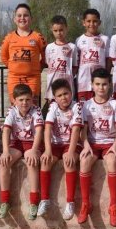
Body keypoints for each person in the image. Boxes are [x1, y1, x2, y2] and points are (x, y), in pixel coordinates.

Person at [78, 68, 116, 227]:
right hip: (92, 144)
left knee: (112, 162)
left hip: (109, 143)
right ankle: (85, 204)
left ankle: (113, 205)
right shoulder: (86, 105)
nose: (101, 88)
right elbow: (82, 130)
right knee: (84, 162)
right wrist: (85, 145)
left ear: (109, 85)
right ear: (92, 85)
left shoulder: (115, 104)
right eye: (97, 84)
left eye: (104, 84)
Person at [0, 84, 44, 220]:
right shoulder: (12, 111)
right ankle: (5, 201)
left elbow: (40, 131)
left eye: (28, 99)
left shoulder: (36, 110)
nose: (25, 103)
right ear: (15, 100)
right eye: (21, 100)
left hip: (32, 143)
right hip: (17, 143)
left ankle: (34, 202)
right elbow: (6, 130)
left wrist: (35, 150)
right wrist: (5, 151)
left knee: (31, 161)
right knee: (3, 163)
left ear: (32, 100)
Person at [40, 79, 83, 220]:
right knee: (45, 161)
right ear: (55, 98)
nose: (63, 97)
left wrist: (71, 152)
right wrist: (47, 150)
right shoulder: (53, 107)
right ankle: (44, 200)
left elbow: (76, 130)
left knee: (68, 161)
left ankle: (70, 202)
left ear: (71, 93)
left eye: (66, 94)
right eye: (59, 95)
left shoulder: (77, 107)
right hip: (56, 144)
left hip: (72, 144)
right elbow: (47, 129)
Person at [1, 3, 47, 104]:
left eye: (25, 15)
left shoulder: (38, 37)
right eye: (19, 15)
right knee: (16, 109)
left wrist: (38, 68)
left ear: (31, 18)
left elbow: (45, 57)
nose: (22, 18)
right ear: (14, 19)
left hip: (32, 79)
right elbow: (4, 57)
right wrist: (14, 67)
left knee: (32, 108)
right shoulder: (9, 38)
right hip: (14, 79)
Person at [76, 9, 111, 102]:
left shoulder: (105, 39)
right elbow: (76, 61)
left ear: (99, 22)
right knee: (83, 110)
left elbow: (109, 60)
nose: (91, 24)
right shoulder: (79, 40)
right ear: (83, 22)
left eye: (95, 21)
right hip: (83, 83)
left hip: (100, 84)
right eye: (88, 21)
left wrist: (106, 77)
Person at [45, 15, 78, 102]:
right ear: (52, 30)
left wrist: (67, 75)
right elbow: (48, 63)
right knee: (53, 108)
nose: (58, 33)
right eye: (55, 30)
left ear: (66, 28)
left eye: (61, 30)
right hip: (52, 83)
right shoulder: (49, 47)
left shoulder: (72, 47)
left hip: (67, 84)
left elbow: (74, 66)